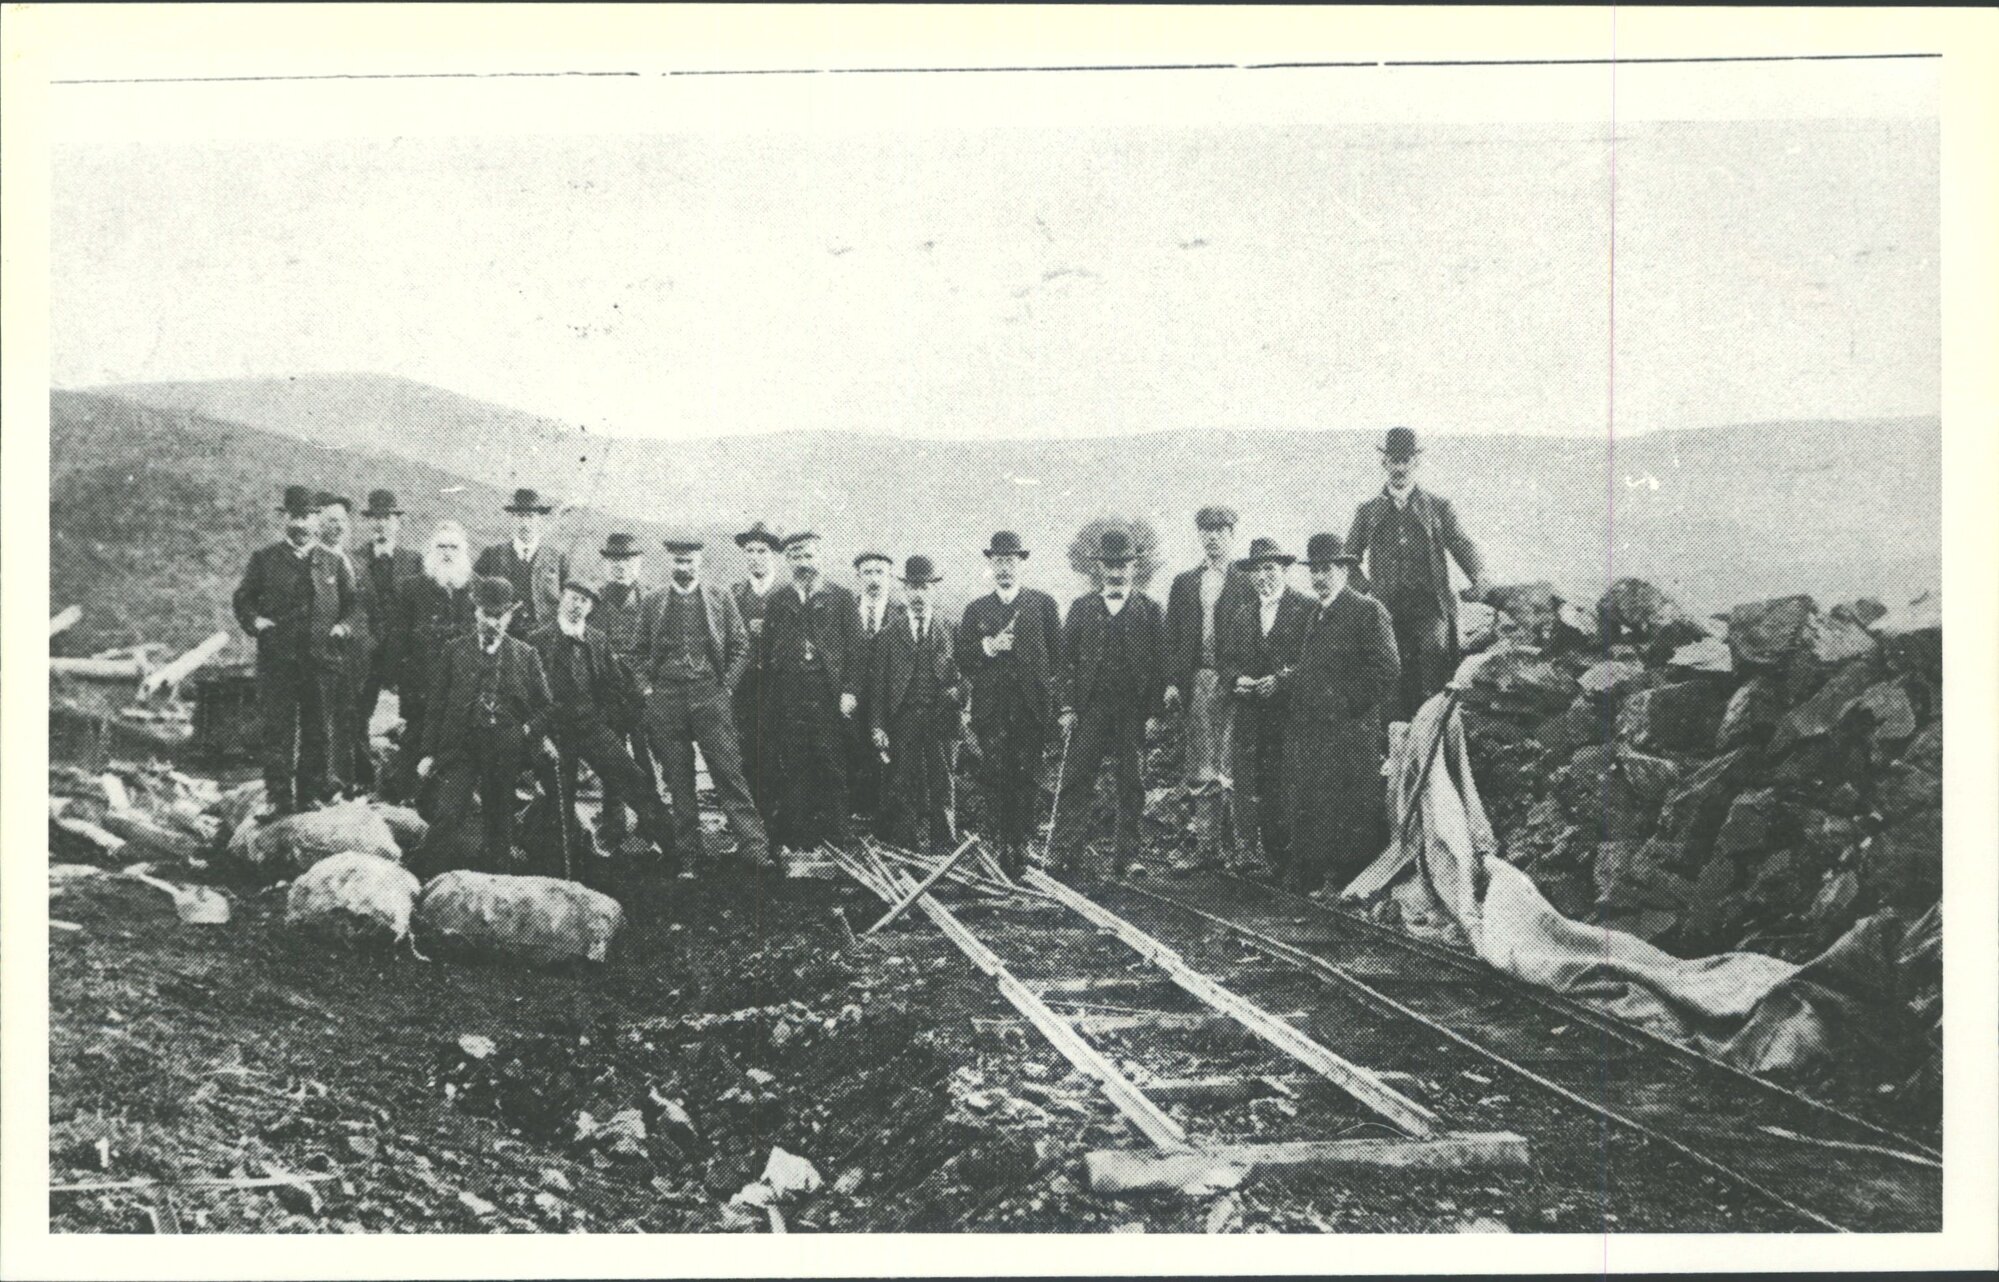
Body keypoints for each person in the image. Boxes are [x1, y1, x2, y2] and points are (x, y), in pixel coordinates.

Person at [635, 534, 774, 873]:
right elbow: (636, 652)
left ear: (700, 562)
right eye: (678, 561)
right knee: (679, 779)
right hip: (666, 698)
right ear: (671, 563)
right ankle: (688, 856)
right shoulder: (653, 601)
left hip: (709, 695)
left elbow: (741, 646)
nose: (684, 566)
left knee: (729, 772)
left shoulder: (720, 597)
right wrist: (647, 691)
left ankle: (754, 849)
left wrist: (726, 686)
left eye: (690, 561)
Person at [1279, 533, 1401, 894]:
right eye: (1314, 570)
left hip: (1351, 730)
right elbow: (1314, 666)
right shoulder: (1317, 613)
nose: (1320, 578)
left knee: (1350, 802)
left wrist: (1346, 705)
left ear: (1344, 570)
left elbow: (1387, 668)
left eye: (1327, 569)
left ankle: (1348, 881)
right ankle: (1322, 878)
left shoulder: (1366, 610)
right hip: (1316, 727)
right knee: (1319, 798)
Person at [529, 582, 674, 878]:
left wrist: (617, 720)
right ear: (561, 600)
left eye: (584, 601)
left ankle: (677, 851)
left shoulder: (598, 640)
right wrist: (541, 737)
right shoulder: (538, 641)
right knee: (558, 800)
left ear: (591, 607)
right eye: (572, 598)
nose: (577, 605)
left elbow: (615, 685)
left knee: (634, 781)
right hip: (556, 734)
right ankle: (561, 868)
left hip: (593, 727)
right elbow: (529, 695)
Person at [1345, 427, 1488, 720]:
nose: (1399, 468)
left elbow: (1460, 543)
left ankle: (1435, 738)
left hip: (1430, 607)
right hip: (1386, 610)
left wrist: (1480, 576)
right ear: (1383, 462)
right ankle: (1393, 748)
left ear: (1416, 463)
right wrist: (1366, 591)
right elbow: (1348, 559)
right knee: (1390, 674)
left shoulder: (1438, 507)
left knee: (1433, 659)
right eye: (1394, 460)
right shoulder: (1367, 511)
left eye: (1405, 460)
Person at [414, 574, 555, 873]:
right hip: (460, 748)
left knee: (500, 822)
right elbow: (436, 706)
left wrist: (527, 730)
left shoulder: (526, 655)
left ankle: (495, 884)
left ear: (510, 616)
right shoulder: (455, 651)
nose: (493, 623)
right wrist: (427, 753)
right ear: (475, 612)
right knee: (448, 813)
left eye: (500, 616)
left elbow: (546, 707)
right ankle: (423, 878)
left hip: (505, 749)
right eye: (487, 615)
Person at [1050, 530, 1167, 884]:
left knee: (1131, 781)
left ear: (1134, 567)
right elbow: (1064, 662)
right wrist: (1067, 707)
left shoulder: (1149, 610)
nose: (1117, 573)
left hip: (1132, 711)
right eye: (1110, 566)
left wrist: (1154, 713)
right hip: (1090, 709)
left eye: (1124, 565)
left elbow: (1161, 665)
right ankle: (1065, 851)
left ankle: (1128, 857)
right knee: (1075, 779)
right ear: (1100, 568)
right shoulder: (1082, 608)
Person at [231, 486, 356, 816]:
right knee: (278, 730)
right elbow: (243, 599)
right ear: (285, 519)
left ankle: (309, 795)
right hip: (278, 660)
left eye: (307, 517)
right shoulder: (265, 559)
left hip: (320, 661)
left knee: (317, 729)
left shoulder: (333, 562)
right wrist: (255, 622)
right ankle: (278, 798)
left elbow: (353, 605)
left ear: (317, 520)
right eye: (294, 517)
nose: (300, 524)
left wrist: (343, 626)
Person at [954, 530, 1062, 876]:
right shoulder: (976, 610)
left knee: (1028, 775)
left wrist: (1055, 704)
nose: (1004, 568)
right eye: (998, 561)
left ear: (1021, 564)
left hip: (1031, 709)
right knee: (996, 774)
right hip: (992, 711)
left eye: (1010, 561)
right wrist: (988, 647)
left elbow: (1059, 659)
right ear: (990, 564)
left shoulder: (1043, 605)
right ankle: (998, 842)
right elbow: (963, 658)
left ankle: (1024, 844)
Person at [1215, 537, 1313, 875]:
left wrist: (1283, 681)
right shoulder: (1243, 615)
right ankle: (1261, 856)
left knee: (1286, 782)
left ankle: (1291, 862)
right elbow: (1225, 662)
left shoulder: (1306, 608)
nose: (1262, 577)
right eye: (1256, 571)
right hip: (1250, 715)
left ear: (1284, 570)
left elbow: (1315, 662)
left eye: (1269, 568)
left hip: (1289, 716)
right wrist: (1235, 680)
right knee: (1252, 783)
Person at [1162, 504, 1253, 866]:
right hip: (1199, 680)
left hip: (1237, 684)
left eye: (1220, 531)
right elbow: (1171, 636)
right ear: (1200, 535)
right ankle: (1206, 846)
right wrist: (1172, 681)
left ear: (1232, 535)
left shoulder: (1247, 580)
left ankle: (1242, 849)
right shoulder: (1185, 582)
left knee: (1234, 762)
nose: (1213, 537)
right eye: (1207, 531)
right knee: (1201, 763)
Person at [761, 530, 861, 851]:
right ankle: (800, 839)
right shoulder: (778, 601)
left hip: (828, 694)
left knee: (832, 763)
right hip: (790, 694)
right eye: (796, 557)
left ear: (820, 557)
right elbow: (766, 652)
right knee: (795, 764)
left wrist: (850, 691)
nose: (804, 563)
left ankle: (839, 837)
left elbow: (857, 652)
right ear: (788, 560)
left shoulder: (842, 597)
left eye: (809, 556)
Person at [869, 556, 964, 854]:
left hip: (942, 716)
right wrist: (878, 725)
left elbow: (968, 674)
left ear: (933, 589)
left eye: (924, 587)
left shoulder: (951, 627)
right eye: (912, 588)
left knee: (943, 783)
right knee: (902, 781)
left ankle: (944, 846)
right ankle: (904, 846)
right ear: (904, 591)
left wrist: (958, 696)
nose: (918, 595)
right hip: (903, 717)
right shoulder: (889, 634)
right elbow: (879, 685)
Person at [390, 520, 477, 796]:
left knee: (457, 742)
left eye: (454, 547)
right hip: (420, 682)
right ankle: (405, 799)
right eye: (442, 546)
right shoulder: (412, 587)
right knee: (415, 740)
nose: (447, 553)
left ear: (463, 552)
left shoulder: (474, 588)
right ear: (431, 550)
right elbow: (399, 637)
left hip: (462, 683)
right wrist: (399, 678)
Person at [352, 489, 422, 791]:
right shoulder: (353, 560)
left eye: (387, 518)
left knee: (412, 717)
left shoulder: (413, 560)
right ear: (369, 523)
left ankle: (406, 782)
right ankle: (362, 780)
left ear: (398, 523)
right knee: (357, 716)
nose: (381, 525)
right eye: (375, 519)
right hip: (363, 653)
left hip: (402, 655)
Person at [592, 532, 657, 847]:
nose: (621, 567)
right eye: (615, 561)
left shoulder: (652, 600)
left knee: (646, 760)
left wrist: (649, 685)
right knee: (610, 759)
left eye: (628, 561)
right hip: (606, 695)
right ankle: (613, 822)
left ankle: (651, 821)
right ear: (606, 564)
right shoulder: (594, 600)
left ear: (639, 563)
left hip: (641, 695)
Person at [313, 493, 372, 791]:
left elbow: (359, 606)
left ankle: (348, 782)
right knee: (322, 721)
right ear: (318, 523)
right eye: (331, 520)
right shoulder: (312, 560)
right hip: (322, 656)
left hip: (354, 656)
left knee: (350, 718)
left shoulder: (353, 561)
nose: (338, 527)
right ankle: (324, 781)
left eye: (342, 521)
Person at [729, 520, 785, 818]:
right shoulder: (734, 594)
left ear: (773, 554)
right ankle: (749, 816)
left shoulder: (787, 593)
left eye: (762, 551)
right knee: (746, 748)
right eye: (749, 551)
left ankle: (777, 815)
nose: (755, 556)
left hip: (779, 685)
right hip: (745, 686)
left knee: (778, 747)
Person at [848, 549, 903, 827]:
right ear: (858, 577)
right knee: (854, 748)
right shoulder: (846, 610)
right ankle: (858, 810)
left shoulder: (900, 614)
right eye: (867, 572)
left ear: (890, 577)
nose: (874, 579)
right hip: (853, 695)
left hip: (889, 696)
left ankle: (885, 813)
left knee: (886, 751)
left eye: (880, 572)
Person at [474, 487, 570, 637]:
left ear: (539, 519)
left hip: (543, 640)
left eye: (530, 516)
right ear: (512, 518)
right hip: (502, 637)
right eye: (520, 516)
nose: (525, 524)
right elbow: (475, 594)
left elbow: (567, 601)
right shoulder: (492, 555)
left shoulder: (558, 559)